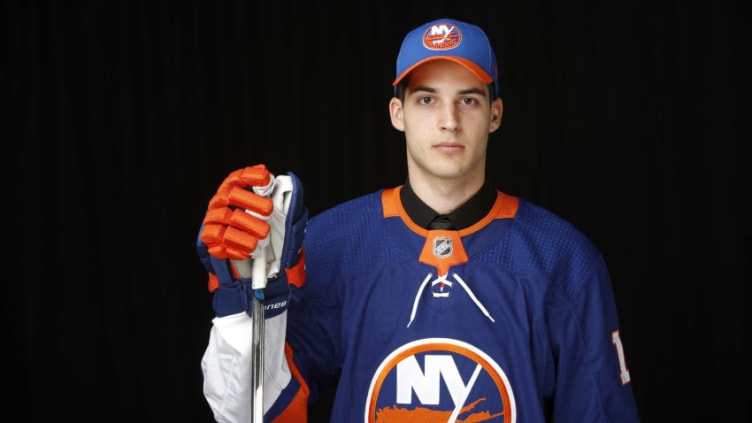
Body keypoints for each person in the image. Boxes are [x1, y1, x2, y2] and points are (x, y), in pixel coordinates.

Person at [196, 17, 641, 422]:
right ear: (398, 113)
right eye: (427, 99)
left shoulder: (564, 260)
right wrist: (245, 314)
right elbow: (254, 415)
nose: (449, 121)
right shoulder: (329, 246)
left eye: (468, 99)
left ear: (495, 115)